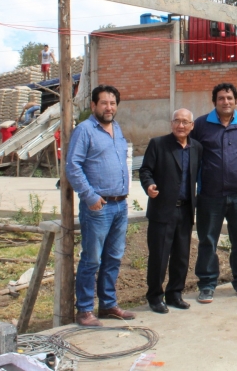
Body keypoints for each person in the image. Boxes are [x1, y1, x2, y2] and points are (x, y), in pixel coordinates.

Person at [65, 84, 135, 327]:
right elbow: (73, 166)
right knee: (92, 259)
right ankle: (84, 309)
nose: (109, 107)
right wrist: (90, 196)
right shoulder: (85, 130)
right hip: (99, 207)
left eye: (113, 103)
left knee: (113, 257)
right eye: (104, 103)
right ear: (93, 105)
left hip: (120, 205)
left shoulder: (116, 128)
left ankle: (107, 304)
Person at [191, 82, 237, 303]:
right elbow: (191, 156)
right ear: (214, 102)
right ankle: (207, 284)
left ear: (236, 101)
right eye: (221, 98)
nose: (226, 102)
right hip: (210, 195)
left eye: (229, 98)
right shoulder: (201, 125)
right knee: (208, 240)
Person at [139, 108, 203, 314]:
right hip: (162, 210)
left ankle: (175, 293)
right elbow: (145, 170)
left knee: (181, 256)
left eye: (185, 122)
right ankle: (155, 296)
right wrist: (149, 185)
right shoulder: (158, 144)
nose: (181, 125)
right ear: (171, 123)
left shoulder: (197, 148)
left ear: (192, 126)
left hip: (185, 211)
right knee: (159, 256)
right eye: (177, 121)